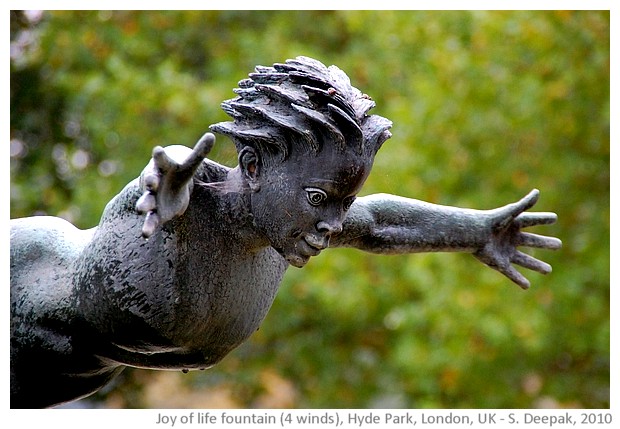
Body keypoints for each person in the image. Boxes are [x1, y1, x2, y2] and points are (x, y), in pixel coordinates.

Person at [10, 56, 561, 408]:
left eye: (342, 203)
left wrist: (477, 231)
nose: (333, 224)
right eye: (320, 200)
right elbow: (174, 167)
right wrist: (166, 176)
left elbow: (381, 220)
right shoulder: (180, 202)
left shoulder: (283, 233)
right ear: (251, 168)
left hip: (60, 382)